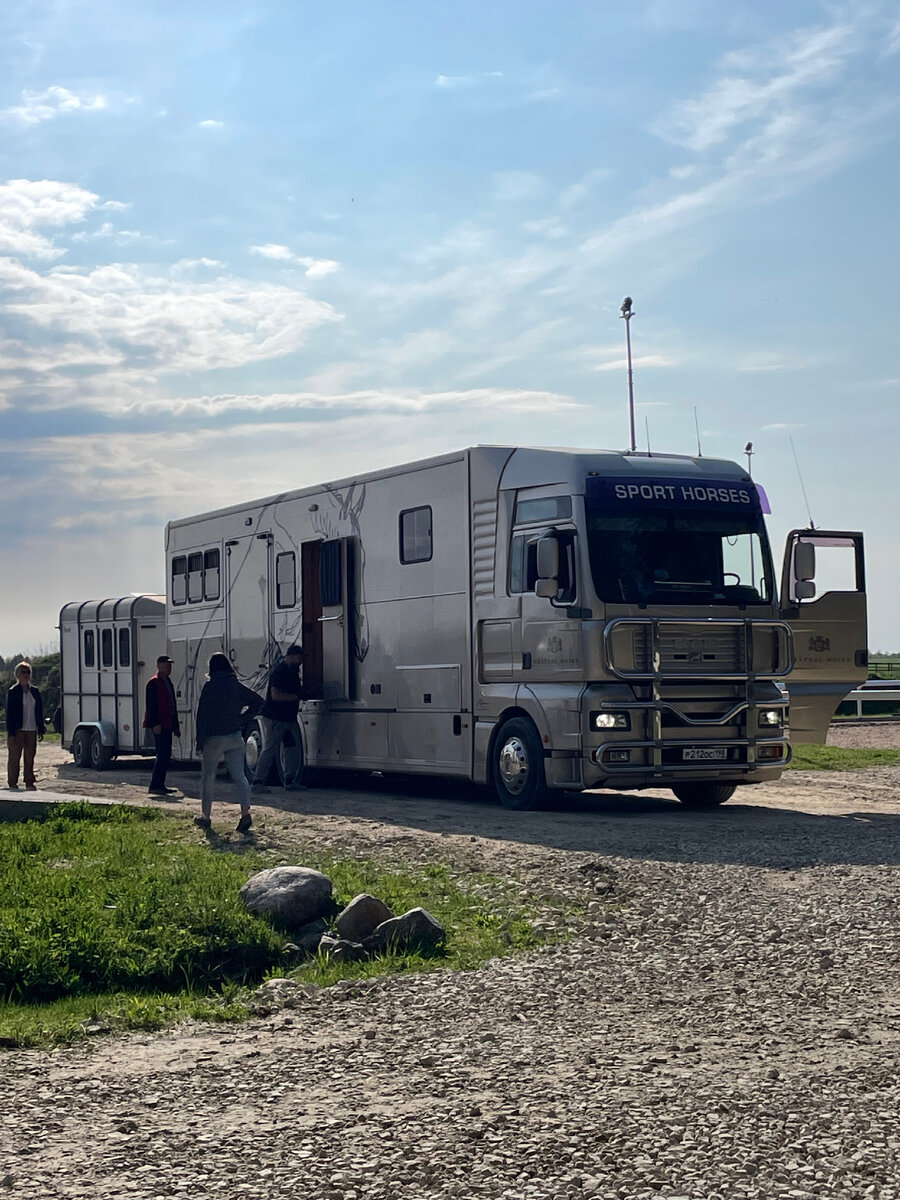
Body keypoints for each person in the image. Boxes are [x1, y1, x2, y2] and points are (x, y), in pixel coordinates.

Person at [194, 653, 264, 832]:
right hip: (235, 736)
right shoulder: (235, 686)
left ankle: (206, 816)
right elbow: (258, 702)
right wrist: (243, 718)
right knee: (239, 776)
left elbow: (202, 716)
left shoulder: (209, 688)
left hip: (214, 738)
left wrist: (200, 742)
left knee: (208, 778)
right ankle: (245, 813)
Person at [252, 644, 305, 792]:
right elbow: (275, 696)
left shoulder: (293, 671)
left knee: (292, 749)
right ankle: (257, 782)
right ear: (291, 656)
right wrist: (295, 697)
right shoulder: (279, 672)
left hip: (288, 718)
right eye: (299, 658)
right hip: (276, 718)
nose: (300, 662)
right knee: (270, 749)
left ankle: (289, 780)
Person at [143, 654, 181, 796]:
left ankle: (161, 784)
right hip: (160, 724)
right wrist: (155, 724)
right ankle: (155, 785)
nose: (169, 667)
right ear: (159, 666)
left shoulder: (168, 682)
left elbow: (172, 706)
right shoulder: (153, 683)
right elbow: (151, 706)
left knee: (166, 755)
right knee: (162, 754)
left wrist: (176, 726)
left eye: (170, 665)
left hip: (168, 723)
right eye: (166, 665)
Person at [6, 662, 44, 791]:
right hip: (18, 729)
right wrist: (11, 733)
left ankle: (29, 781)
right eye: (23, 672)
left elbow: (39, 710)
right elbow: (9, 714)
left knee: (29, 757)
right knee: (14, 757)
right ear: (18, 674)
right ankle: (12, 782)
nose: (26, 675)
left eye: (28, 672)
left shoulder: (34, 691)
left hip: (31, 728)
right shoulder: (13, 692)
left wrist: (41, 728)